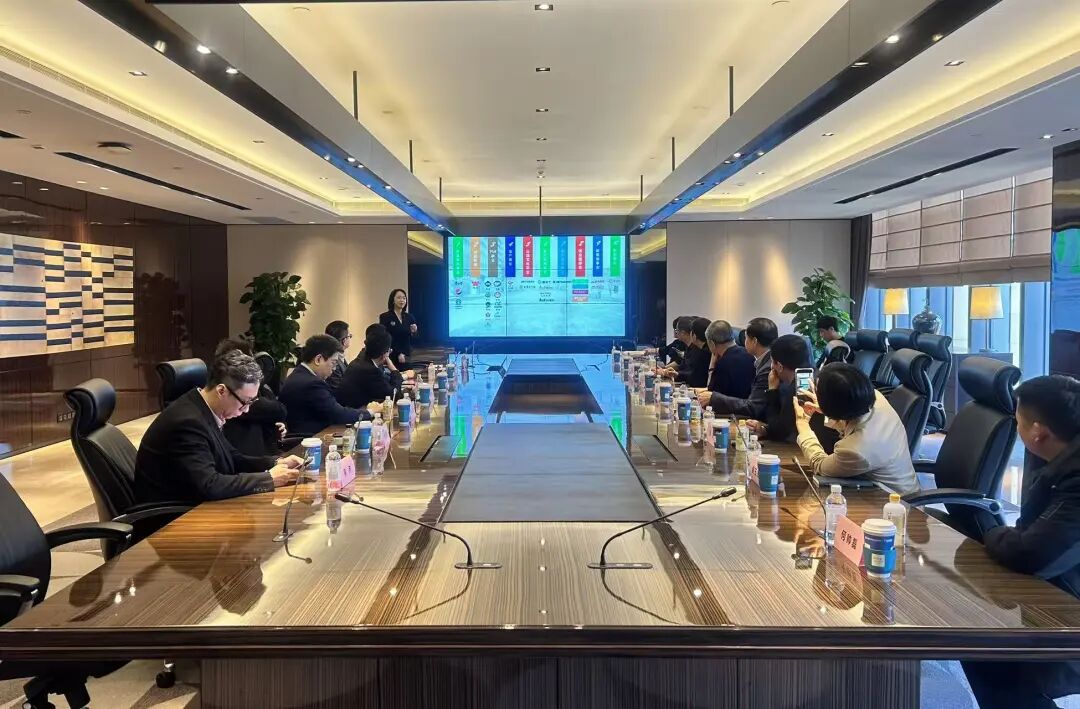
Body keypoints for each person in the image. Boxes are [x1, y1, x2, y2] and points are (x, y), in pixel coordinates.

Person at [961, 375, 1080, 709]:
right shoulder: (1059, 456)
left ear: (1038, 431)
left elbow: (1031, 553)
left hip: (1066, 598)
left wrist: (991, 531)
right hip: (1060, 578)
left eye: (1018, 422)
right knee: (980, 645)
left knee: (991, 655)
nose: (1016, 428)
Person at [134, 349, 304, 504]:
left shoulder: (202, 408)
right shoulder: (187, 423)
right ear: (221, 391)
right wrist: (268, 479)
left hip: (195, 504)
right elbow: (209, 485)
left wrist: (276, 462)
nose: (246, 410)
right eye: (245, 402)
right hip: (173, 517)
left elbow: (233, 458)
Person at [793, 363, 918, 495]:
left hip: (892, 500)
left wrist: (803, 425)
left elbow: (819, 464)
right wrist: (827, 409)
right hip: (888, 487)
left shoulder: (855, 451)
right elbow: (852, 423)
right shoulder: (874, 398)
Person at [278, 334, 374, 437]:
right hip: (311, 439)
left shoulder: (300, 374)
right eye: (333, 363)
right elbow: (339, 415)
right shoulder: (311, 384)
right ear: (318, 359)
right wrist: (371, 412)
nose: (334, 368)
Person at [215, 337, 290, 457]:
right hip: (252, 459)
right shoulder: (233, 394)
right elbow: (276, 410)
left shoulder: (257, 388)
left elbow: (279, 410)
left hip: (266, 456)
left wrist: (278, 426)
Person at [698, 317, 776, 419]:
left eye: (746, 337)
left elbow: (754, 407)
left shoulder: (768, 368)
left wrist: (714, 398)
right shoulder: (758, 360)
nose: (744, 341)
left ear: (754, 341)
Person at [745, 334, 808, 443]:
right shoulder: (811, 377)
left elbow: (779, 432)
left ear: (779, 366)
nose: (771, 367)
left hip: (798, 449)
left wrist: (772, 391)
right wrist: (764, 429)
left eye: (772, 362)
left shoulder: (795, 390)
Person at [336, 326, 405, 409]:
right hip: (355, 411)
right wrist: (394, 370)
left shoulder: (364, 360)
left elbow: (385, 385)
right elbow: (394, 395)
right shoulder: (369, 370)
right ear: (384, 354)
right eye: (389, 351)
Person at [702, 319, 755, 400]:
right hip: (747, 404)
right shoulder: (750, 354)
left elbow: (712, 395)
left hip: (729, 406)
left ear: (712, 343)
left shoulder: (723, 363)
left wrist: (712, 364)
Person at [659, 316, 709, 387]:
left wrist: (676, 374)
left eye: (677, 330)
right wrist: (673, 372)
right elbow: (683, 367)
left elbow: (695, 376)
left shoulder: (702, 352)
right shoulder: (689, 347)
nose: (675, 333)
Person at [379, 288, 418, 366]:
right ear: (393, 300)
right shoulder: (385, 317)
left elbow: (413, 339)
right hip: (391, 356)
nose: (402, 300)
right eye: (399, 297)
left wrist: (414, 332)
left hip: (406, 356)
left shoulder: (409, 317)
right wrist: (398, 353)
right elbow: (384, 338)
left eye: (404, 298)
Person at [324, 320, 352, 390]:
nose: (350, 338)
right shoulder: (333, 363)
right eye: (350, 336)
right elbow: (338, 389)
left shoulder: (339, 356)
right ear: (344, 341)